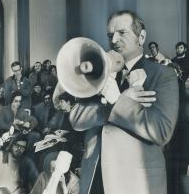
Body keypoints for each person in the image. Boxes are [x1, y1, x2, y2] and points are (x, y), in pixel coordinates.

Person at [64, 10, 179, 194]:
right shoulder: (100, 73)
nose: (114, 40)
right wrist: (116, 103)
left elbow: (161, 130)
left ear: (141, 37)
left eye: (122, 32)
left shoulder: (163, 75)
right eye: (110, 35)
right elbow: (76, 118)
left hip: (136, 183)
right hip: (95, 179)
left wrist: (116, 100)